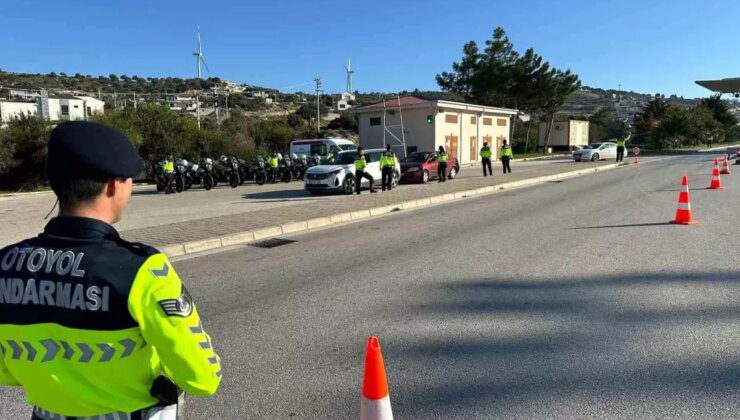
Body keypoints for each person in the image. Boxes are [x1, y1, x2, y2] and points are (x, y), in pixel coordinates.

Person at [0, 121, 221, 420]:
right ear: (114, 185)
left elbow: (6, 371)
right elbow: (202, 377)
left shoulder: (5, 264)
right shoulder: (144, 270)